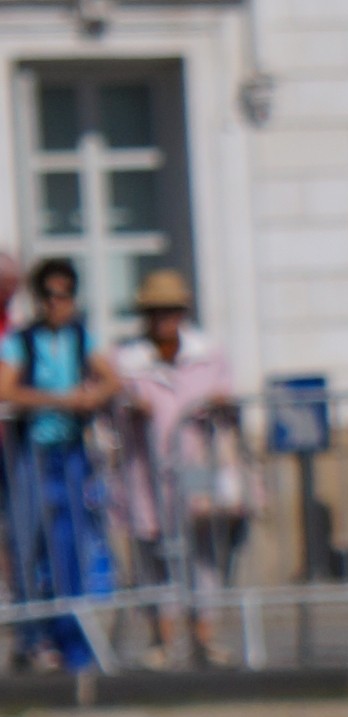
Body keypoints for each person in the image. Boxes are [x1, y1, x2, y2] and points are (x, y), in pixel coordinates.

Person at [111, 271, 246, 664]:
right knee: (152, 552)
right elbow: (111, 412)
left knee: (201, 549)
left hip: (195, 462)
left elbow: (231, 405)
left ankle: (203, 636)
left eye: (171, 310)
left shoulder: (208, 354)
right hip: (143, 467)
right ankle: (161, 639)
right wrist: (128, 409)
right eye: (156, 311)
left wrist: (224, 404)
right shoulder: (128, 360)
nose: (165, 318)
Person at [2, 257, 118, 668]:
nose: (59, 304)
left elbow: (111, 377)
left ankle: (72, 637)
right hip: (29, 455)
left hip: (70, 452)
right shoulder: (23, 341)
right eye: (51, 296)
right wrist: (60, 400)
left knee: (71, 545)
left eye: (65, 295)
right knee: (27, 543)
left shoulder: (81, 337)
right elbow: (7, 389)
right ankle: (33, 636)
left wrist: (93, 395)